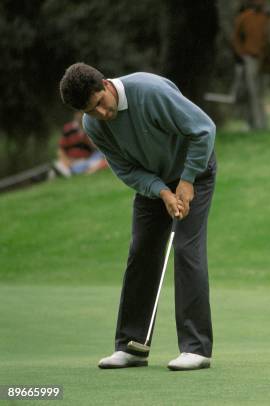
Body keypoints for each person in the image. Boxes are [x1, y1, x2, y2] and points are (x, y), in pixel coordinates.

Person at [59, 63, 216, 371]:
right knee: (142, 252)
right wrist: (162, 192)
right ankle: (132, 347)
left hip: (194, 171)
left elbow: (204, 129)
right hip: (153, 182)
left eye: (101, 103)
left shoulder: (150, 91)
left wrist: (186, 181)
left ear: (105, 84)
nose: (102, 114)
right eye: (92, 112)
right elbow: (126, 170)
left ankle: (196, 348)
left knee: (186, 249)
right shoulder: (94, 125)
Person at [233, 0, 270, 130]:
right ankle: (257, 124)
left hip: (264, 60)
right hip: (250, 58)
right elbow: (236, 38)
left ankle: (262, 123)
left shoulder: (266, 17)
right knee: (253, 93)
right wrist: (242, 54)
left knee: (260, 93)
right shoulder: (244, 17)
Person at [52, 111, 108, 177]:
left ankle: (94, 168)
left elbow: (96, 147)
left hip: (88, 158)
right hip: (74, 161)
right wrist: (67, 161)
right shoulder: (68, 129)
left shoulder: (89, 127)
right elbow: (61, 149)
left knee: (104, 156)